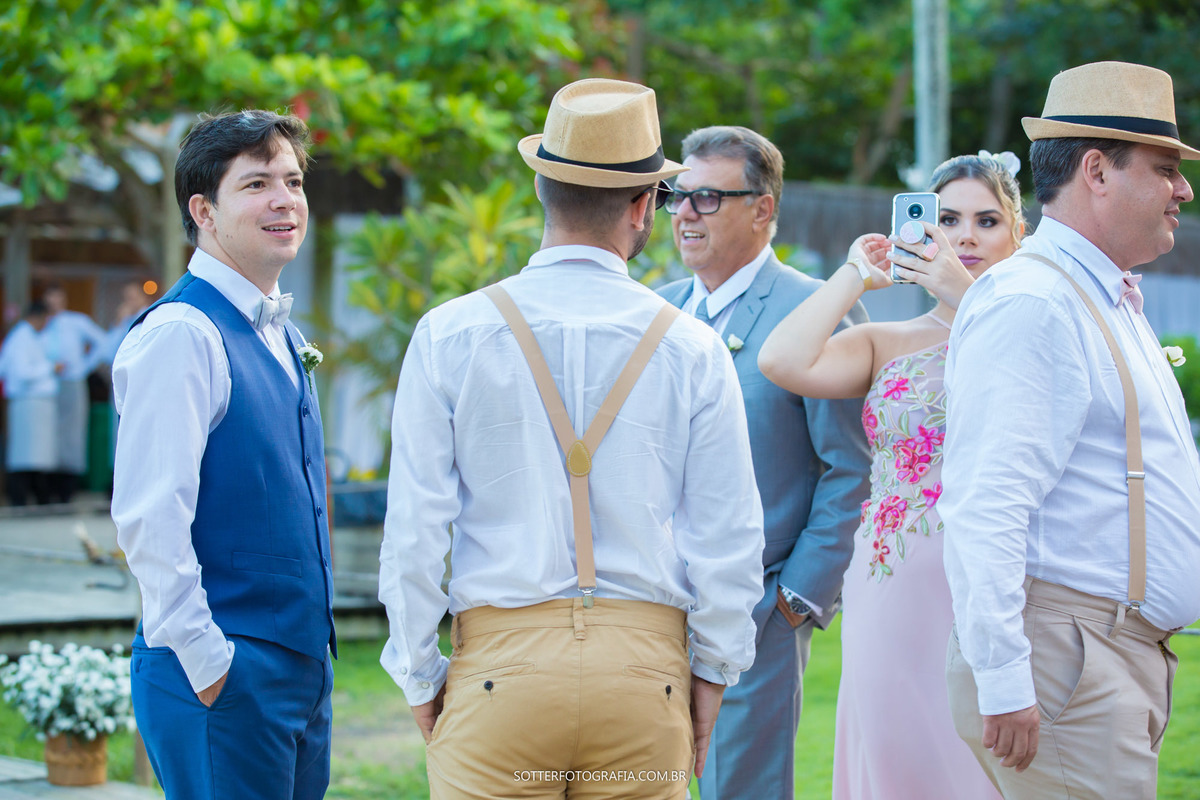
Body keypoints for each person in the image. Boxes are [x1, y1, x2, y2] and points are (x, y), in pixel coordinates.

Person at [379, 79, 765, 799]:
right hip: (641, 677)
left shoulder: (452, 332)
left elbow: (415, 528)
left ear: (539, 187)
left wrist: (417, 672)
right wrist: (712, 674)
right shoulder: (693, 346)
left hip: (501, 674)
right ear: (646, 205)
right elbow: (729, 534)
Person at [940, 61, 1200, 799]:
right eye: (1164, 168)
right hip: (1068, 660)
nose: (1182, 188)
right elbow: (986, 502)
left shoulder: (1097, 295)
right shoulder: (1036, 303)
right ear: (1097, 171)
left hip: (1093, 658)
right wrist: (1004, 674)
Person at [758, 151, 1026, 799]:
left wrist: (974, 299)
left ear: (1020, 233)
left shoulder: (1035, 332)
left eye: (987, 220)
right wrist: (857, 273)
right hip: (894, 585)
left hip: (1002, 584)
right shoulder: (886, 341)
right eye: (946, 220)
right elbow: (782, 359)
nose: (964, 236)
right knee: (899, 752)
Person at [111, 110, 335, 800]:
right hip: (221, 668)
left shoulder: (279, 331)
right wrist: (212, 664)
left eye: (293, 181)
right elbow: (150, 519)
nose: (284, 200)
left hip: (296, 668)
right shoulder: (183, 333)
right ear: (203, 210)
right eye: (257, 183)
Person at [656, 126, 871, 800]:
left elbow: (851, 466)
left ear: (764, 207)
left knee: (739, 789)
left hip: (759, 609)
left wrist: (796, 598)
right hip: (647, 603)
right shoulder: (655, 309)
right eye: (676, 196)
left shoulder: (815, 308)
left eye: (708, 198)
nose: (685, 214)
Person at [40, 283, 106, 502]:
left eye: (57, 300)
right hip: (45, 385)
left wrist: (83, 367)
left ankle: (67, 489)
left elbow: (102, 343)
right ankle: (47, 487)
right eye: (50, 301)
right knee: (48, 434)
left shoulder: (76, 322)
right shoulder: (42, 326)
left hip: (72, 382)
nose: (54, 305)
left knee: (72, 433)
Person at [0, 301, 58, 506]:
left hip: (34, 404)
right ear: (38, 317)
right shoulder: (21, 338)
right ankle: (21, 499)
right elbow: (21, 372)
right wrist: (50, 368)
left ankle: (32, 498)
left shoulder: (27, 337)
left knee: (34, 456)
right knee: (26, 456)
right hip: (28, 402)